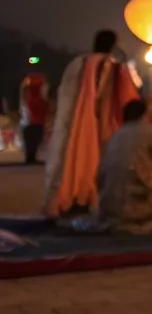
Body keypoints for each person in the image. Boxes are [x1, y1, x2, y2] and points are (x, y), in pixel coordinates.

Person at [43, 30, 138, 217]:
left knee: (65, 163)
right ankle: (87, 199)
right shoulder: (110, 66)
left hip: (69, 123)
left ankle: (64, 201)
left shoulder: (77, 63)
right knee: (94, 162)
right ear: (112, 45)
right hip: (97, 125)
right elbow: (127, 99)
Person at [97, 99, 152, 226]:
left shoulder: (116, 134)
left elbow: (100, 177)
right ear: (144, 114)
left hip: (107, 206)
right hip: (133, 207)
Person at [19, 66, 50, 164]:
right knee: (34, 135)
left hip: (34, 112)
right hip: (33, 112)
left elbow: (24, 93)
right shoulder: (39, 81)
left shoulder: (29, 81)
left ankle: (31, 156)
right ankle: (30, 156)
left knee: (32, 135)